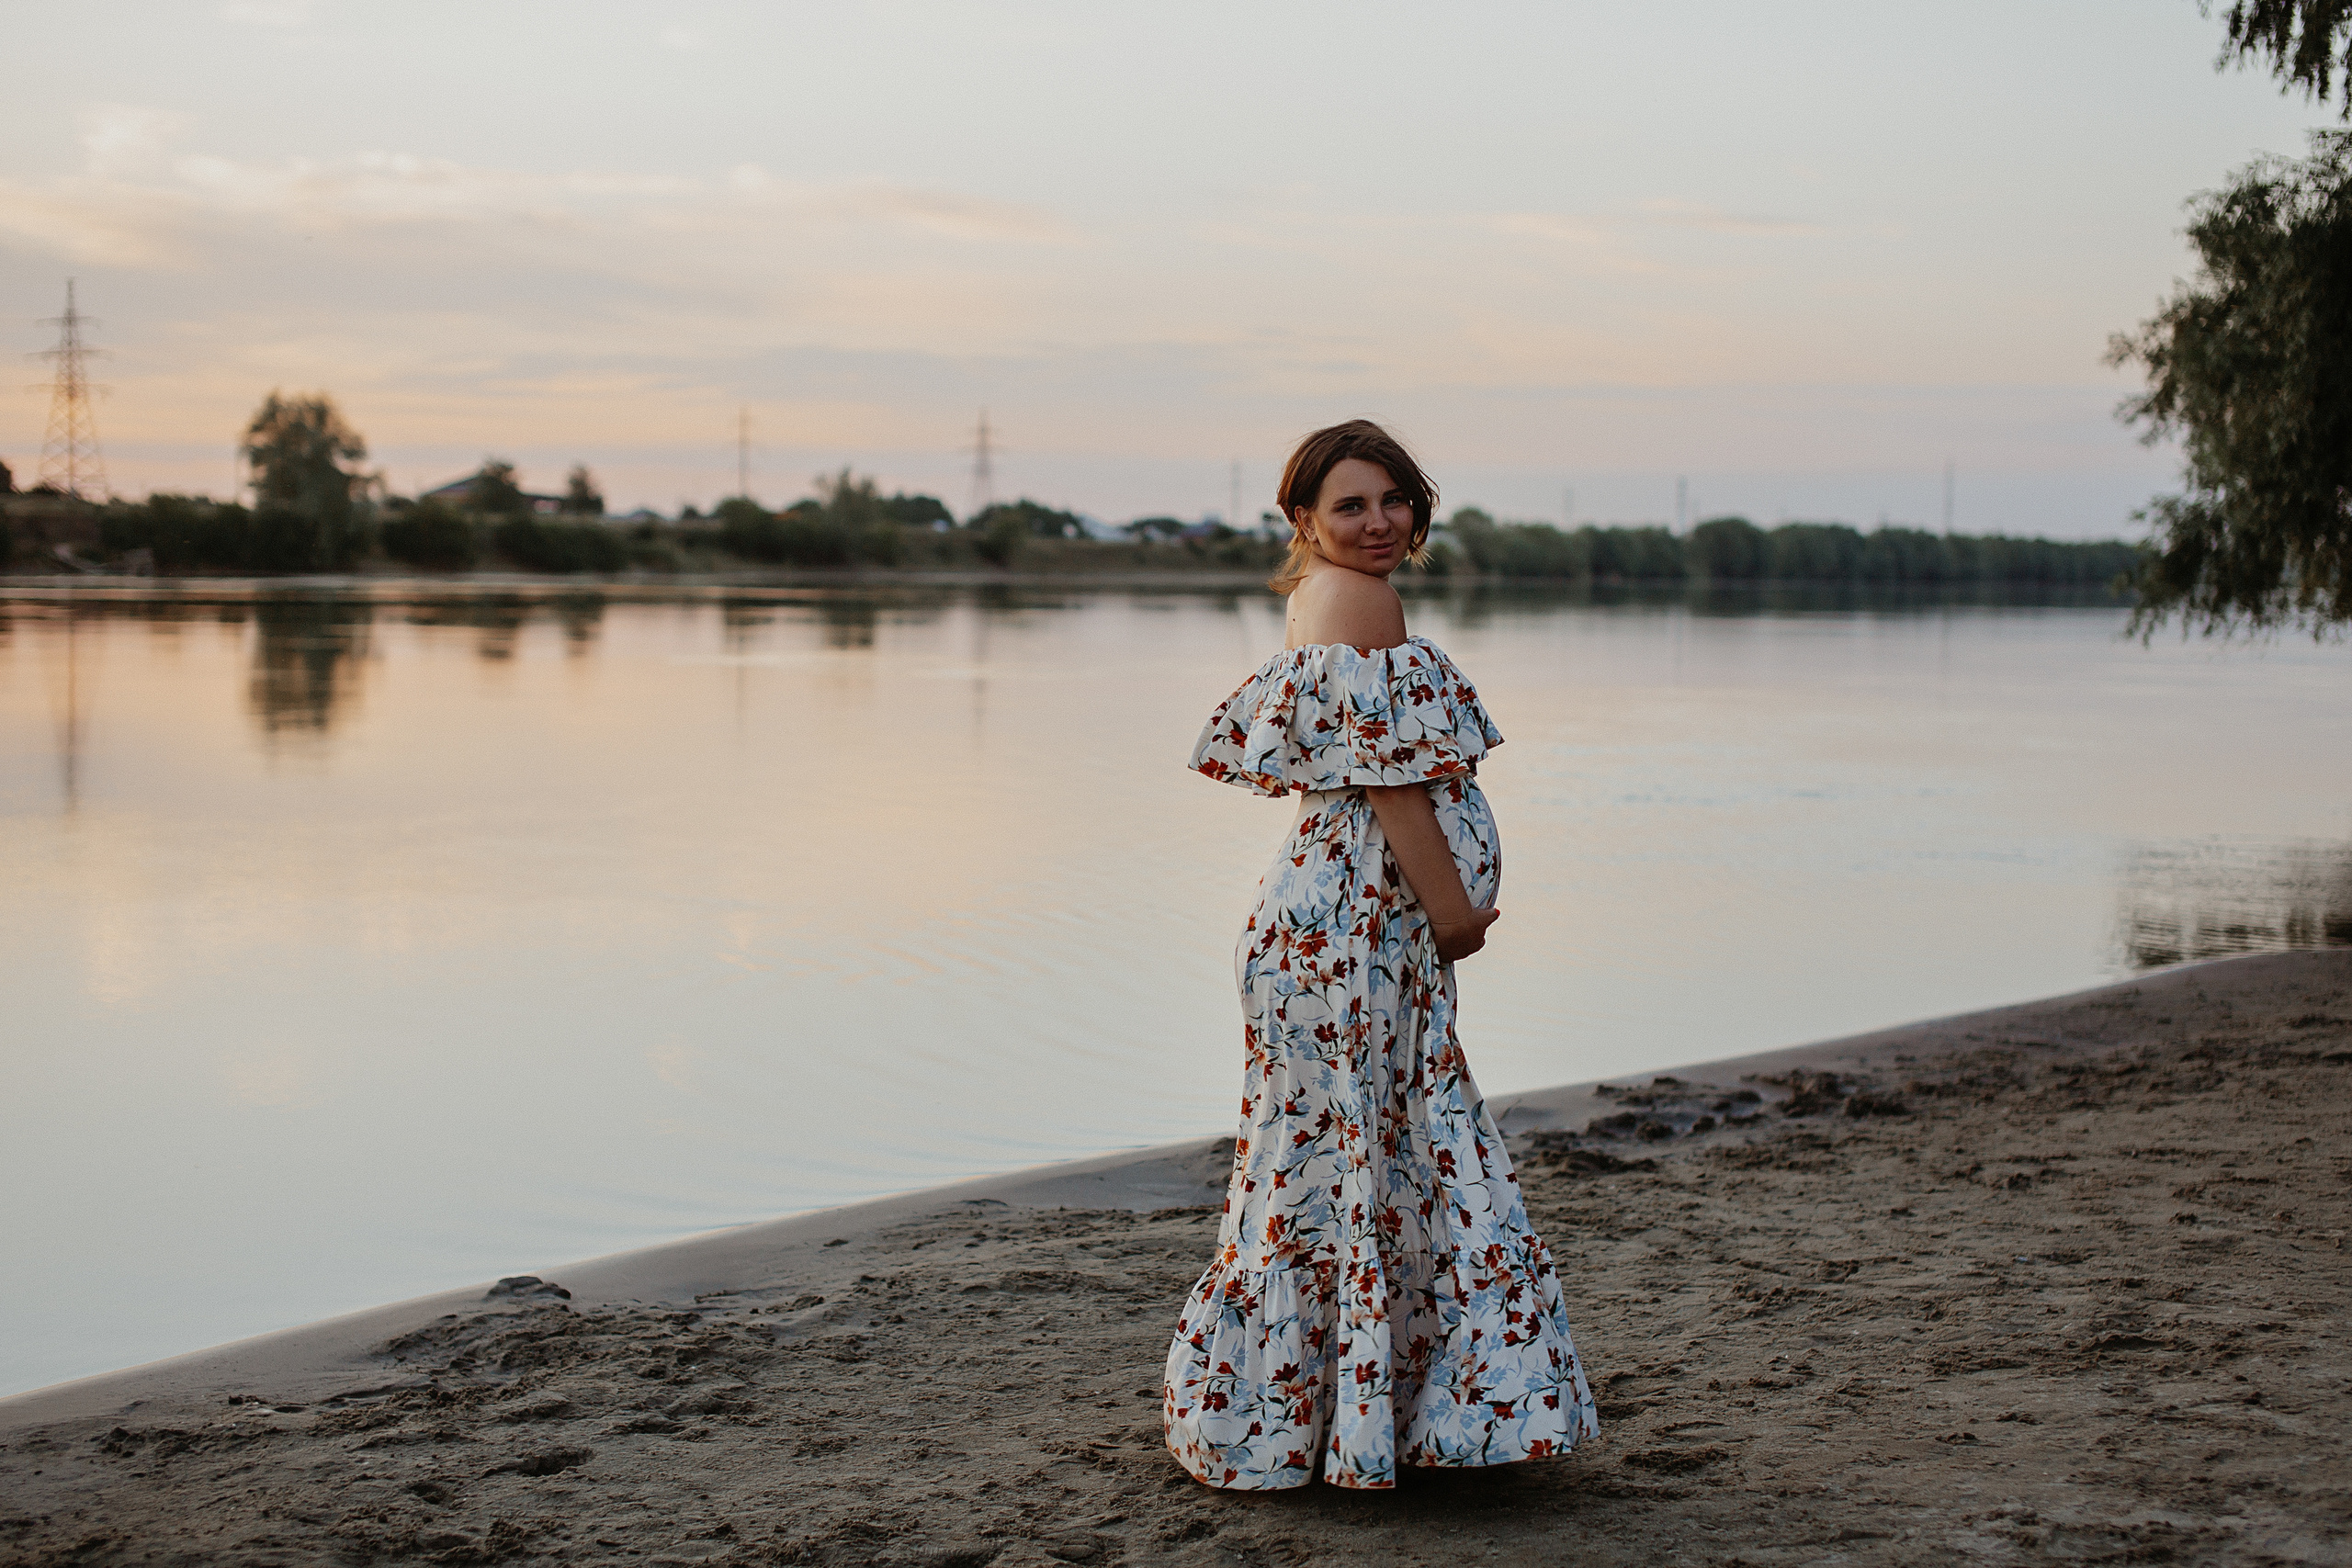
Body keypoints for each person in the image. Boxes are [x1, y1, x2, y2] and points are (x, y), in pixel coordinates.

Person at [1162, 420, 1600, 1491]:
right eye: (1349, 504)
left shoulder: (1320, 599)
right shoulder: (1356, 601)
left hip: (1342, 927)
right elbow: (1391, 781)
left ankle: (1331, 1420)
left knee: (1348, 1162)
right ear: (1302, 519)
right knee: (1378, 1151)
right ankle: (1385, 1420)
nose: (1376, 522)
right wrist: (1453, 912)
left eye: (1391, 499)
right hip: (1356, 928)